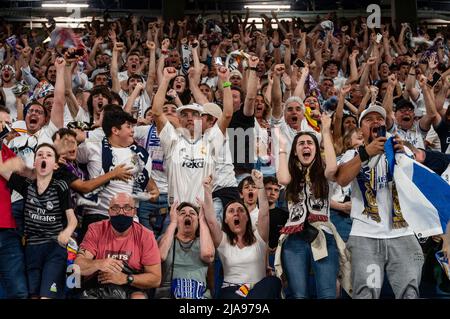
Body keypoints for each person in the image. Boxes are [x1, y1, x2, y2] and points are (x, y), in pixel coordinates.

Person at [335, 104, 425, 299]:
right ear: (361, 130)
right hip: (365, 235)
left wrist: (403, 155)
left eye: (380, 119)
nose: (376, 121)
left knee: (409, 293)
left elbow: (417, 185)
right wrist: (366, 153)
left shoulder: (400, 151)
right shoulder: (353, 154)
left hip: (403, 233)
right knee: (366, 294)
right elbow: (342, 179)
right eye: (369, 119)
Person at [275, 114, 346, 299]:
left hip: (323, 236)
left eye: (310, 143)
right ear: (295, 151)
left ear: (316, 149)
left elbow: (332, 167)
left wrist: (325, 131)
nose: (306, 146)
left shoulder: (324, 175)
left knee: (328, 294)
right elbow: (282, 179)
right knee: (299, 296)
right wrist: (282, 147)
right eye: (301, 143)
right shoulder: (291, 175)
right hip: (294, 239)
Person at [0, 143, 77, 299]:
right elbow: (1, 169)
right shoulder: (26, 186)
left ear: (55, 165)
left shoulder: (60, 186)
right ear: (34, 163)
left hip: (54, 248)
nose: (44, 157)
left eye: (49, 155)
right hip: (32, 249)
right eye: (40, 155)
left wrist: (67, 232)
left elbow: (72, 219)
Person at [76, 107, 159, 240]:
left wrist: (153, 191)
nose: (133, 130)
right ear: (115, 130)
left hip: (129, 217)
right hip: (98, 214)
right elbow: (68, 160)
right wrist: (113, 174)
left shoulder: (138, 155)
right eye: (128, 127)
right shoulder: (92, 147)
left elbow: (150, 185)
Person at [203, 170, 282, 299]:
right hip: (231, 291)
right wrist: (207, 190)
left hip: (257, 290)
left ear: (247, 218)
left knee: (273, 282)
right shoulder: (223, 240)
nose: (236, 213)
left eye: (240, 210)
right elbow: (211, 221)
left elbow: (264, 214)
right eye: (231, 211)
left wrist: (261, 186)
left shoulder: (259, 238)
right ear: (226, 220)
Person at [75, 192, 161, 299]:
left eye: (127, 208)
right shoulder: (95, 229)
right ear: (109, 212)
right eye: (115, 208)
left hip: (131, 284)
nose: (121, 212)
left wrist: (126, 278)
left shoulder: (146, 235)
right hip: (98, 283)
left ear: (134, 212)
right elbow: (77, 267)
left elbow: (156, 279)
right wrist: (99, 263)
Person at [156, 201, 215, 299]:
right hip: (168, 295)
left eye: (192, 213)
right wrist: (173, 222)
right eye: (182, 213)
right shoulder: (166, 238)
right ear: (176, 219)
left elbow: (207, 255)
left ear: (198, 220)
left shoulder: (204, 241)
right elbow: (160, 256)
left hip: (199, 295)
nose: (187, 214)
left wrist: (203, 220)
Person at [0, 107, 28, 298]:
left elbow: (20, 177)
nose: (5, 127)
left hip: (7, 227)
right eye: (1, 122)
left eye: (7, 123)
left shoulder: (7, 151)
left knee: (18, 291)